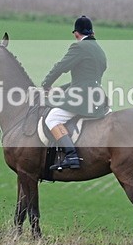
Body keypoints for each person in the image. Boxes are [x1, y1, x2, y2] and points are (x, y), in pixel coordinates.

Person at [41, 15, 108, 170]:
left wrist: (46, 85)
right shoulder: (99, 50)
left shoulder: (79, 47)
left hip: (82, 98)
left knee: (52, 118)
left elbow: (60, 67)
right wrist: (61, 89)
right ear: (92, 32)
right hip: (97, 97)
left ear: (76, 33)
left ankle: (71, 156)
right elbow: (86, 79)